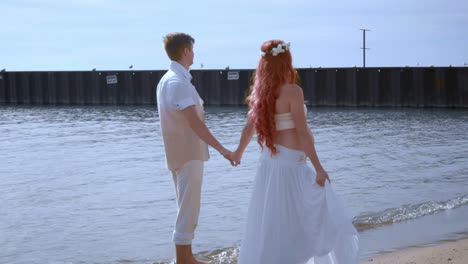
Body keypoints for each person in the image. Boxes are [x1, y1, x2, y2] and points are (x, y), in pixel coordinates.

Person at [231, 40, 359, 264]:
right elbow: (302, 132)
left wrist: (238, 153)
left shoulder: (260, 93)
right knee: (312, 217)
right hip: (291, 165)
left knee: (275, 222)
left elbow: (249, 128)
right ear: (286, 62)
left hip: (269, 165)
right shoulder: (293, 91)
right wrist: (319, 168)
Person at [156, 32, 233, 264]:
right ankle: (184, 259)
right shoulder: (177, 82)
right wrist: (223, 150)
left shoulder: (168, 79)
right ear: (186, 51)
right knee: (189, 207)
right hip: (188, 153)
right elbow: (195, 123)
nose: (194, 54)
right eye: (193, 49)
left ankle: (186, 256)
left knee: (185, 206)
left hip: (178, 152)